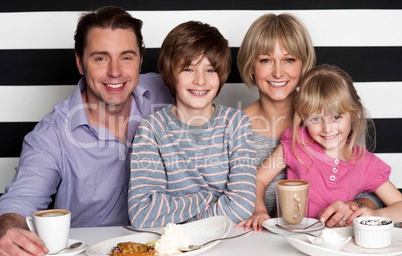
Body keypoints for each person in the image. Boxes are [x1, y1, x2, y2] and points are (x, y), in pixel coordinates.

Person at [0, 6, 172, 256]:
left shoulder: (170, 91)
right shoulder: (51, 135)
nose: (115, 72)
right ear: (80, 62)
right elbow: (20, 201)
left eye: (126, 57)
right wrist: (6, 229)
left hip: (172, 252)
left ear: (140, 59)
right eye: (100, 58)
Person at [235, 13, 381, 231]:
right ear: (251, 66)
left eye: (289, 60)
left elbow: (367, 186)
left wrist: (354, 207)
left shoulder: (328, 117)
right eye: (266, 60)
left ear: (303, 64)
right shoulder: (232, 127)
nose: (277, 72)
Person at [128, 21, 257, 228]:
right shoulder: (151, 129)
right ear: (171, 73)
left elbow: (242, 205)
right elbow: (143, 215)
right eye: (188, 69)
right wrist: (208, 197)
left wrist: (178, 221)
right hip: (173, 250)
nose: (200, 80)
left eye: (211, 70)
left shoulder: (236, 123)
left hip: (226, 245)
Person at [242, 64, 402, 231]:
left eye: (336, 117)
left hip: (337, 246)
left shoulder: (365, 163)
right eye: (316, 119)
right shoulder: (296, 144)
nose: (327, 128)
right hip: (292, 238)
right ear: (304, 118)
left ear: (353, 114)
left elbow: (399, 205)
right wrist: (259, 211)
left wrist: (376, 215)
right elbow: (258, 179)